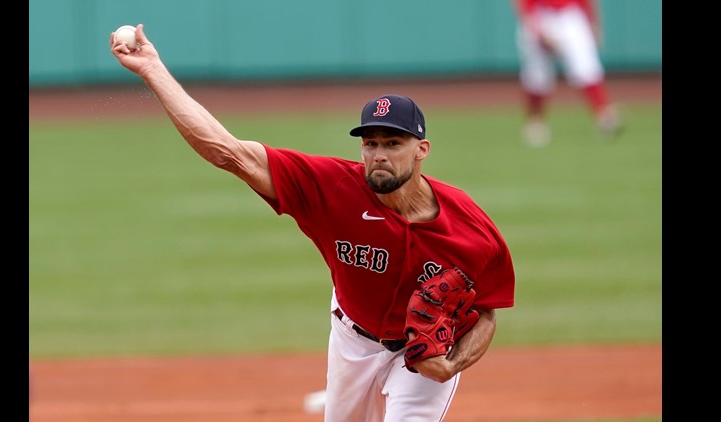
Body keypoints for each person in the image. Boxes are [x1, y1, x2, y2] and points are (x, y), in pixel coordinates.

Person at [110, 24, 515, 422]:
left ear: (422, 149)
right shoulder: (331, 187)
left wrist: (452, 364)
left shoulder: (470, 228)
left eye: (393, 143)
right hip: (351, 343)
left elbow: (487, 312)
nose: (379, 155)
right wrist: (153, 70)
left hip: (421, 359)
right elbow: (228, 152)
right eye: (370, 143)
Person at [512, 0, 623, 146]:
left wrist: (593, 21)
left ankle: (604, 116)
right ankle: (535, 122)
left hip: (570, 14)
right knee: (537, 76)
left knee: (586, 66)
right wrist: (537, 30)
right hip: (539, 13)